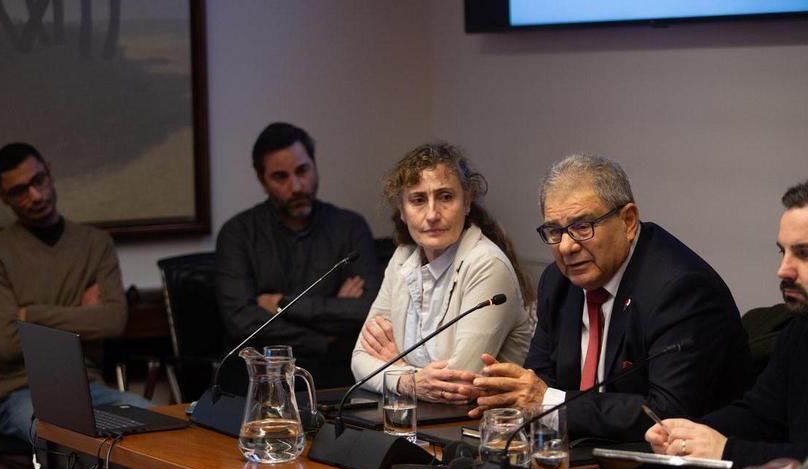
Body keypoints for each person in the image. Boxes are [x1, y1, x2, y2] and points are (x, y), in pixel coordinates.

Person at [471, 153, 751, 441]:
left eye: (582, 226)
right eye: (555, 231)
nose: (566, 247)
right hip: (577, 454)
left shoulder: (681, 289)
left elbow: (666, 414)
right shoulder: (558, 282)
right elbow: (541, 382)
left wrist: (547, 402)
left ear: (628, 221)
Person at [0, 142, 151, 443]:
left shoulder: (96, 244)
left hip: (89, 387)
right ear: (2, 196)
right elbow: (7, 344)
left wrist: (30, 314)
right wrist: (83, 315)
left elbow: (111, 321)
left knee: (159, 428)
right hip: (22, 392)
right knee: (62, 439)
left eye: (38, 180)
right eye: (19, 191)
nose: (36, 196)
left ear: (50, 172)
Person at [351, 143, 535, 401]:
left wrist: (396, 368)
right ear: (402, 211)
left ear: (468, 202)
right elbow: (359, 360)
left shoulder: (486, 264)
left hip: (478, 427)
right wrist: (409, 380)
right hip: (420, 419)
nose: (432, 214)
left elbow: (459, 384)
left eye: (446, 197)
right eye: (418, 200)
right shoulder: (403, 258)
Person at [645, 179, 808, 468]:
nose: (783, 269)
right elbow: (760, 415)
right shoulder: (799, 329)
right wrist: (687, 433)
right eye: (782, 252)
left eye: (803, 254)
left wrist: (725, 450)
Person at [216, 122, 381, 388]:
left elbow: (367, 310)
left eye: (302, 171)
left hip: (336, 374)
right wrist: (324, 337)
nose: (296, 186)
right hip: (261, 375)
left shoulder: (350, 227)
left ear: (315, 166)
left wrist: (282, 303)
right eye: (280, 177)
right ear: (262, 180)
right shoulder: (237, 233)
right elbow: (242, 323)